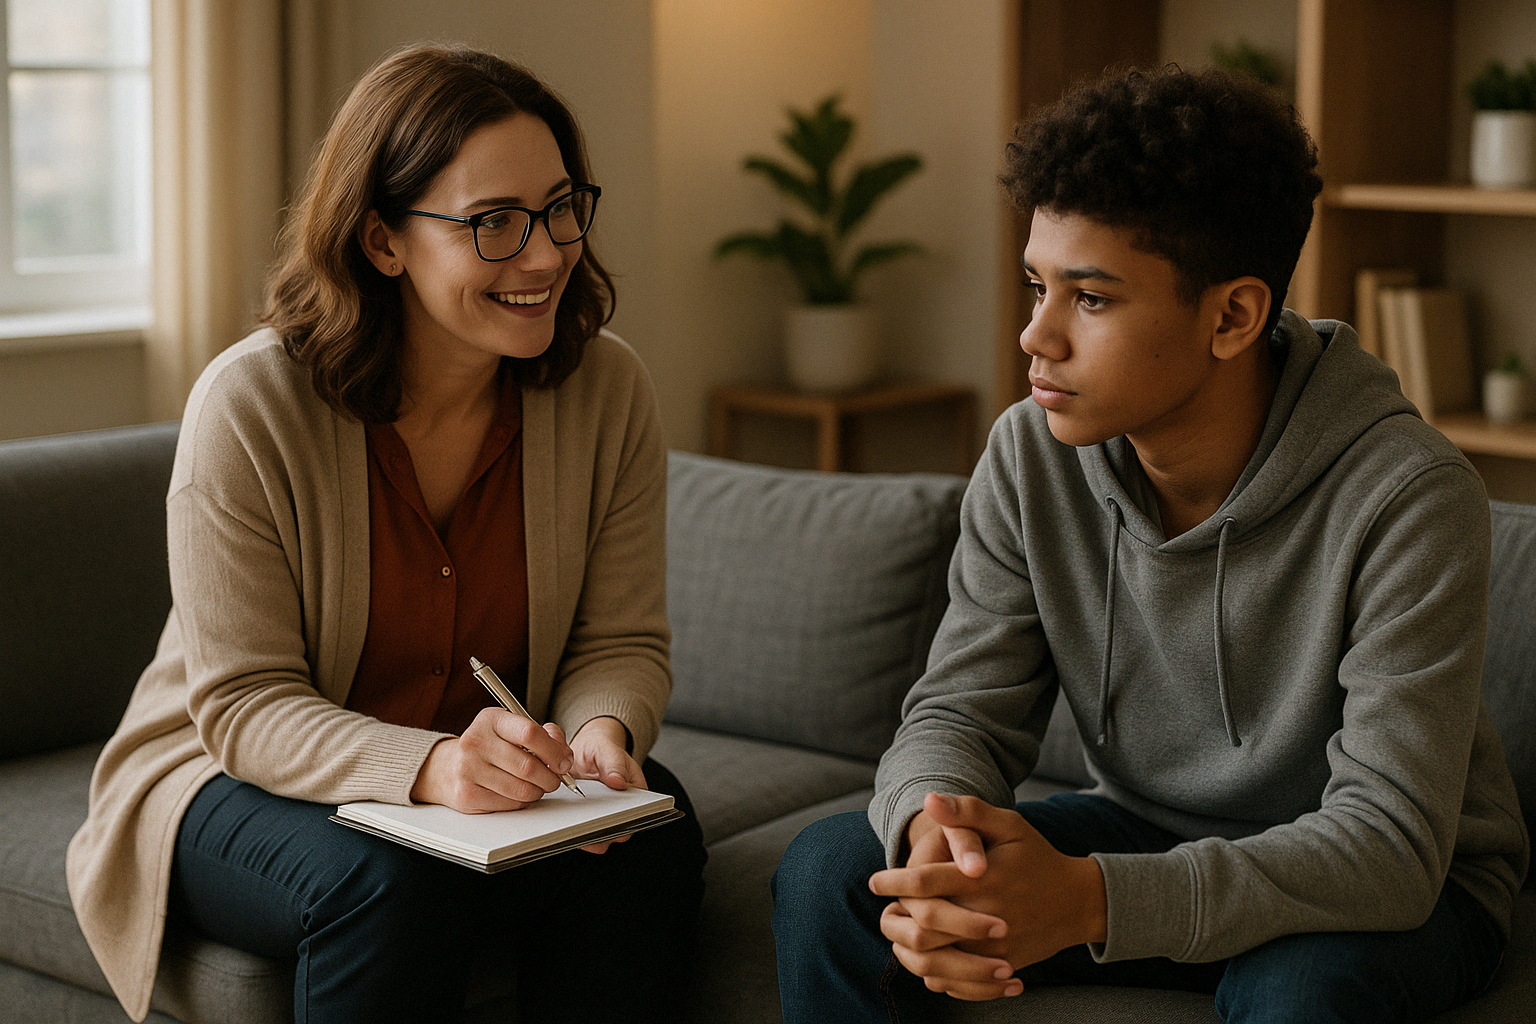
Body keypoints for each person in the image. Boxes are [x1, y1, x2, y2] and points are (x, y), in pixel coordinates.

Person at [771, 65, 1529, 1024]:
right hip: (1149, 827)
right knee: (835, 870)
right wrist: (938, 835)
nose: (1033, 336)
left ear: (1232, 317)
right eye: (1037, 284)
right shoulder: (1028, 454)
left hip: (1389, 879)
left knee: (1299, 989)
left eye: (1089, 299)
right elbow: (961, 712)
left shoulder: (1409, 496)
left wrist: (1089, 900)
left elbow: (1387, 845)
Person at [66, 43, 705, 1024]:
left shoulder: (606, 388)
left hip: (480, 783)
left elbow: (618, 639)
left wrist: (599, 737)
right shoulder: (250, 406)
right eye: (493, 223)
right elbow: (241, 705)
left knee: (650, 831)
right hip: (227, 771)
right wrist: (432, 766)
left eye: (561, 206)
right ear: (382, 241)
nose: (544, 253)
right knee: (391, 880)